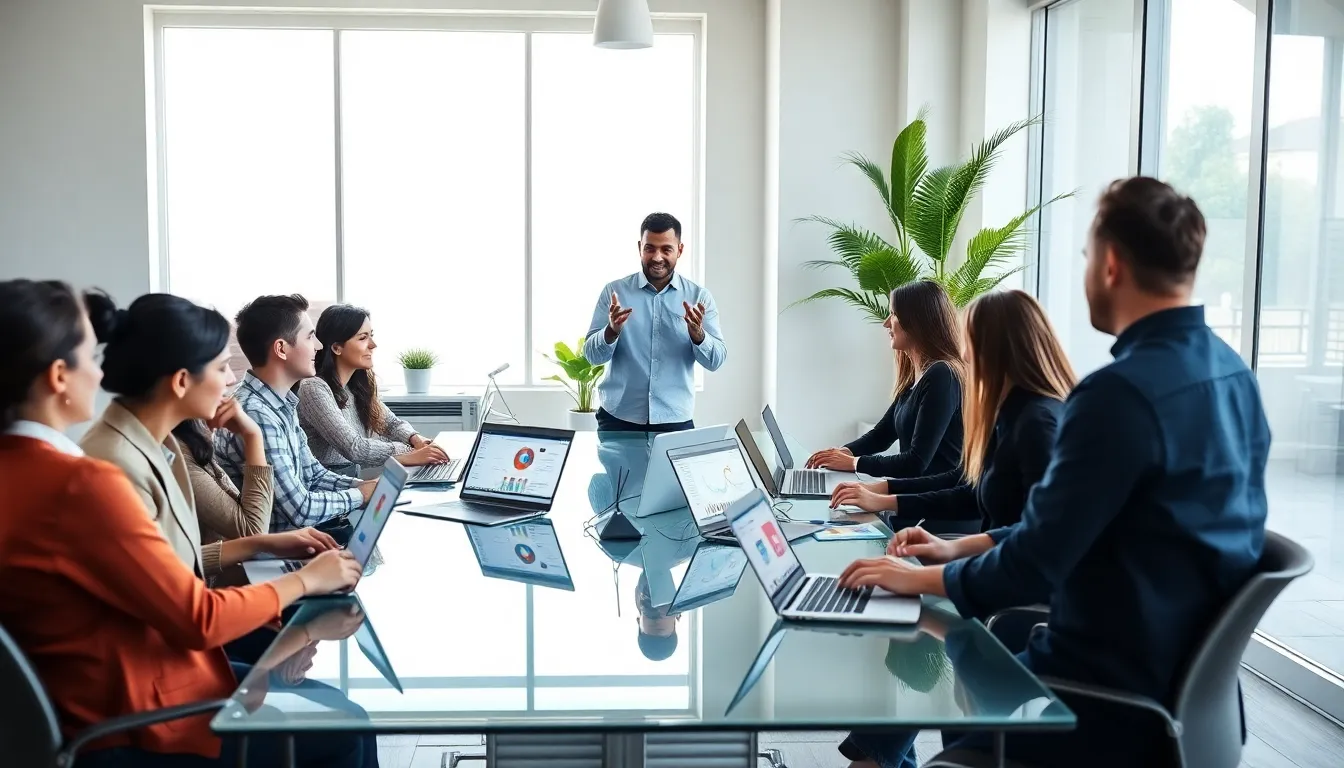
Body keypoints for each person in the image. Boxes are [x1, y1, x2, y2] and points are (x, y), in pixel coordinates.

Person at [832, 177, 1271, 768]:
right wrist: (952, 550)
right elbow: (1066, 530)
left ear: (1111, 264)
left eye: (1087, 256)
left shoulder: (1118, 397)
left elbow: (1037, 562)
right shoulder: (1236, 379)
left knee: (937, 670)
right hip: (1187, 698)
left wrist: (919, 580)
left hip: (1094, 700)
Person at [0, 279, 370, 766]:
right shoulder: (82, 481)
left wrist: (265, 547)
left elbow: (158, 568)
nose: (101, 372)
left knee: (336, 708)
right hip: (140, 714)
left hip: (100, 692)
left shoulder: (25, 468)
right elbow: (198, 619)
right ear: (58, 377)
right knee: (348, 723)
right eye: (91, 359)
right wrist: (305, 581)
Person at [80, 293, 343, 580]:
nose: (232, 379)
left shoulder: (163, 440)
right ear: (181, 381)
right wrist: (303, 581)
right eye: (221, 368)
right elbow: (164, 580)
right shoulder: (118, 461)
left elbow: (171, 558)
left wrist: (263, 543)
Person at [828, 290, 1075, 535]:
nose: (964, 354)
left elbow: (1039, 537)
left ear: (1001, 349)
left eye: (971, 342)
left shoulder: (1035, 421)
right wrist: (876, 489)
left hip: (963, 538)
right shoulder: (1009, 413)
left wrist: (865, 475)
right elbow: (967, 486)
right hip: (971, 542)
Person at [215, 294, 378, 533]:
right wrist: (359, 495)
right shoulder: (256, 413)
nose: (319, 346)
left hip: (296, 541)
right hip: (274, 553)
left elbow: (312, 473)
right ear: (281, 348)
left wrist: (362, 485)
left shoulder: (280, 403)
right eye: (310, 337)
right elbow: (300, 510)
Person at [583, 212, 727, 432]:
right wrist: (611, 331)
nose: (657, 257)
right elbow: (592, 357)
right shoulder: (614, 293)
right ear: (640, 247)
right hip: (618, 419)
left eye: (666, 249)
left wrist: (699, 336)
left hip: (675, 421)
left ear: (679, 250)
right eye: (650, 248)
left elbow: (716, 361)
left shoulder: (699, 298)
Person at [806, 280, 965, 479]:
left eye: (894, 314)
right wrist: (841, 453)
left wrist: (854, 463)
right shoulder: (916, 378)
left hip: (932, 504)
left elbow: (916, 462)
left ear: (916, 321)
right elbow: (882, 435)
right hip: (909, 497)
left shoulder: (943, 375)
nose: (886, 323)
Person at [298, 303, 448, 473]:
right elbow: (355, 448)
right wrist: (411, 452)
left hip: (350, 478)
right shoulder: (313, 388)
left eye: (371, 336)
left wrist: (417, 439)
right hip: (325, 485)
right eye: (363, 338)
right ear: (336, 348)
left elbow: (391, 423)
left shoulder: (354, 387)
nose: (373, 345)